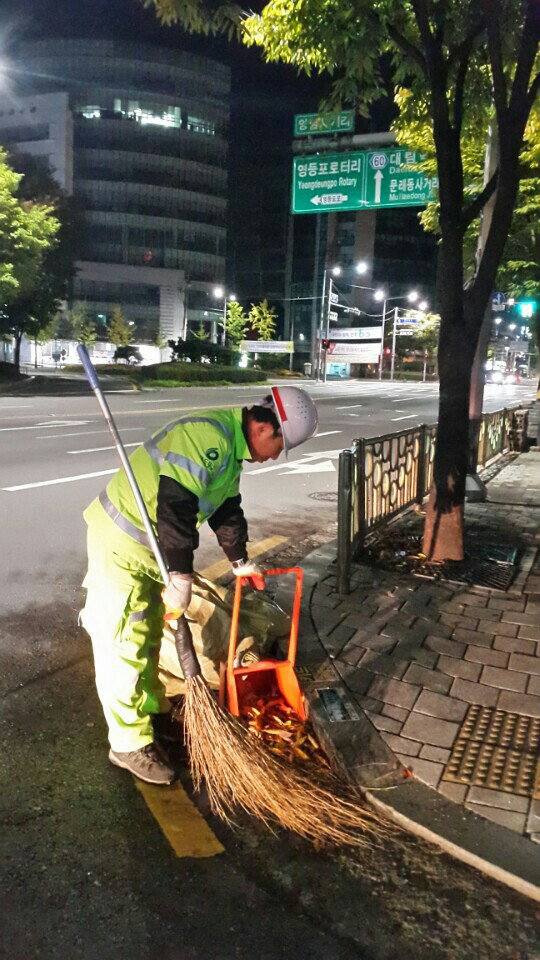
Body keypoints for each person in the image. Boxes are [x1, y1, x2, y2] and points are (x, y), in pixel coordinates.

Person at [80, 386, 318, 785]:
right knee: (123, 640)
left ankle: (150, 711)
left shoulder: (229, 448)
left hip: (150, 548)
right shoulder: (208, 437)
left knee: (151, 631)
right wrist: (181, 576)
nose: (276, 456)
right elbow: (175, 505)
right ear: (263, 427)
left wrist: (241, 563)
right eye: (280, 445)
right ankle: (126, 743)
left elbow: (226, 510)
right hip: (122, 540)